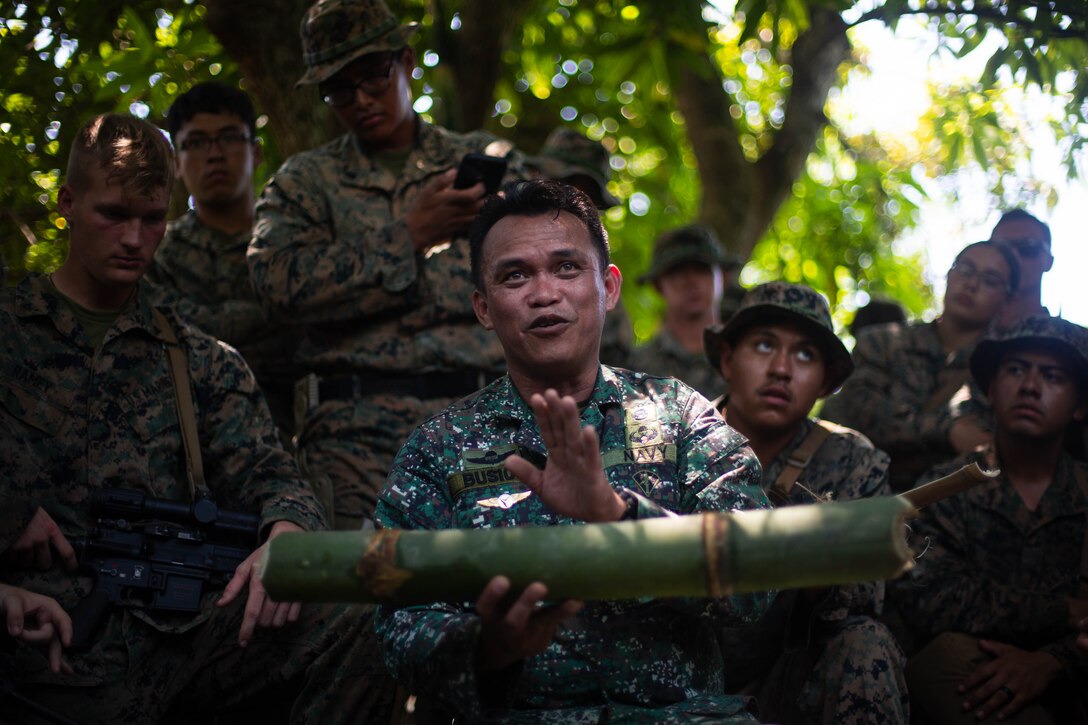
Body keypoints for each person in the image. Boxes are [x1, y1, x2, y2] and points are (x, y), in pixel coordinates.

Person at [0, 113, 392, 723]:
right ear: (69, 203)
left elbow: (274, 476)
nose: (134, 238)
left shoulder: (200, 361)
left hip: (183, 635)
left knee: (372, 613)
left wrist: (284, 539)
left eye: (152, 219)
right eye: (114, 214)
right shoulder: (7, 333)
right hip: (31, 635)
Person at [374, 179, 773, 723]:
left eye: (565, 268)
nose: (544, 293)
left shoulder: (683, 416)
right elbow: (396, 622)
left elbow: (756, 580)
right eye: (515, 276)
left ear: (607, 287)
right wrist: (485, 647)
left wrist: (619, 515)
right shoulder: (437, 447)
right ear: (484, 307)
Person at [248, 0, 521, 530]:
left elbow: (544, 260)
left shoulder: (484, 161)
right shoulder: (304, 183)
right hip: (356, 437)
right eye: (339, 90)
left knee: (506, 588)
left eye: (374, 76)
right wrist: (408, 236)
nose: (361, 99)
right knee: (369, 597)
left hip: (487, 422)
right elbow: (275, 284)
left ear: (407, 62)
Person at [704, 281, 908, 724]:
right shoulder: (670, 440)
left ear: (826, 382)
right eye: (763, 345)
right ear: (727, 359)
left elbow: (861, 599)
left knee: (864, 640)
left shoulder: (854, 460)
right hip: (671, 674)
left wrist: (819, 567)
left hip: (786, 680)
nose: (781, 369)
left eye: (804, 355)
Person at [892, 316, 1088, 724]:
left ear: (1080, 405)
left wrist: (1052, 662)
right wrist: (1065, 611)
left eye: (1053, 376)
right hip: (971, 678)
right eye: (1016, 370)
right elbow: (932, 598)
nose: (1031, 387)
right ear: (992, 389)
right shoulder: (944, 487)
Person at [144, 82, 301, 444]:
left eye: (229, 138)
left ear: (256, 152)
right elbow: (161, 332)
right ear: (177, 164)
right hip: (184, 438)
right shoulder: (154, 249)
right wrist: (272, 314)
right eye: (196, 143)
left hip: (296, 436)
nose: (214, 154)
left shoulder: (295, 238)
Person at [820, 241, 1020, 490]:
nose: (972, 284)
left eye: (990, 280)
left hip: (947, 512)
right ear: (949, 274)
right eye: (965, 270)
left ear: (1007, 299)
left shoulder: (1006, 372)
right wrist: (948, 432)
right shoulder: (881, 342)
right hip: (854, 498)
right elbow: (863, 415)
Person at [528, 126, 633, 367]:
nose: (570, 205)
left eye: (585, 198)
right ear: (535, 178)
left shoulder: (602, 294)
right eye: (561, 186)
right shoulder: (489, 250)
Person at [629, 224, 736, 399]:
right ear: (658, 286)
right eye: (677, 272)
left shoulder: (743, 359)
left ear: (723, 278)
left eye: (701, 269)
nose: (691, 281)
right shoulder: (636, 368)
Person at [989, 208, 1052, 331]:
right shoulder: (962, 335)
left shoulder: (1077, 342)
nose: (1014, 257)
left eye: (1028, 248)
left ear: (1049, 262)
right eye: (1003, 249)